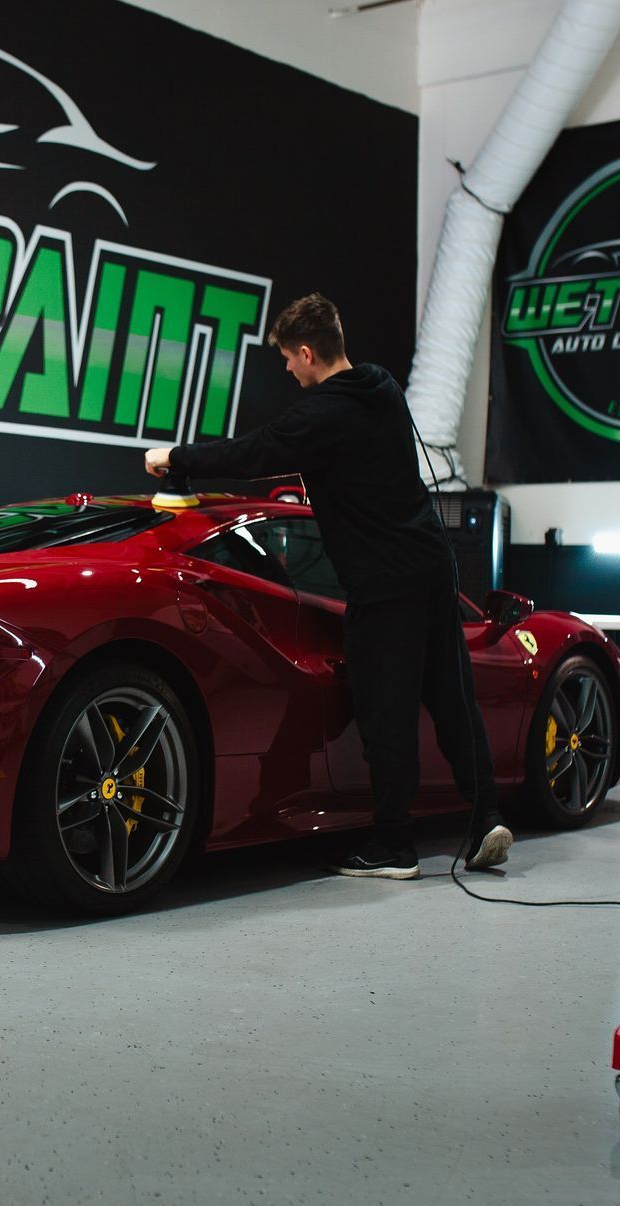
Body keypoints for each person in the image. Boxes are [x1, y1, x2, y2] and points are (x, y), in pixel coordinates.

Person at [144, 293, 511, 880]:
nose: (288, 371)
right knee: (451, 700)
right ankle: (487, 817)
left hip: (383, 584)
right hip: (432, 568)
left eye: (289, 359)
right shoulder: (383, 387)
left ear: (309, 353)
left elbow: (254, 451)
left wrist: (175, 458)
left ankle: (394, 847)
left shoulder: (320, 414)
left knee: (384, 714)